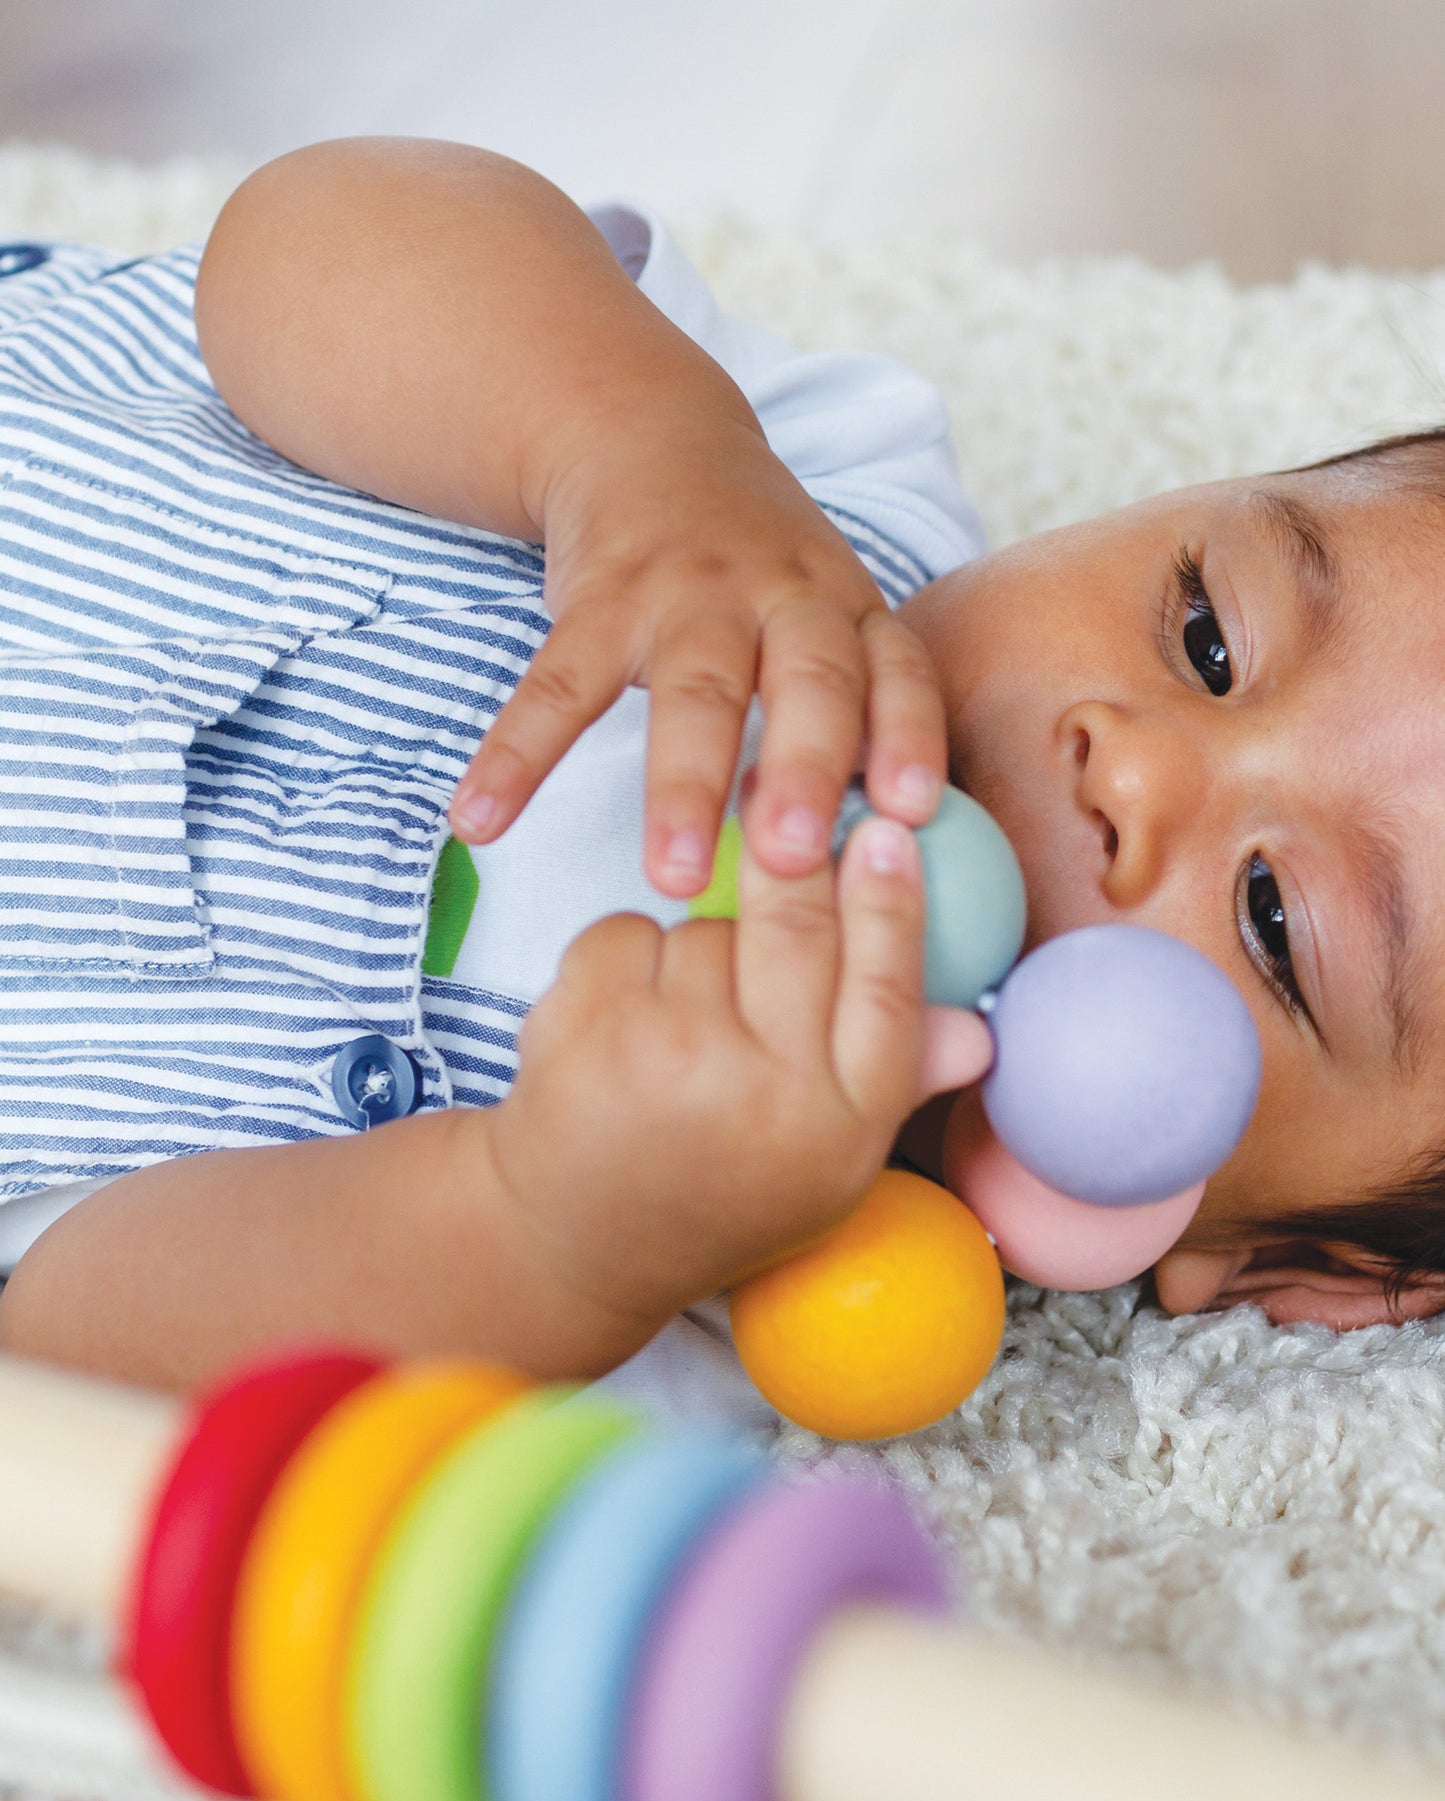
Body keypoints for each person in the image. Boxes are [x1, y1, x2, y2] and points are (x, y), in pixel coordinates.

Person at [0, 137, 1439, 1403]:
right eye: (1202, 631)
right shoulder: (815, 482)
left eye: (1272, 919)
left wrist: (542, 1227)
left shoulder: (687, 1307)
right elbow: (304, 231)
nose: (1131, 773)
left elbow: (69, 1356)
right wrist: (627, 445)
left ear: (1295, 1273)